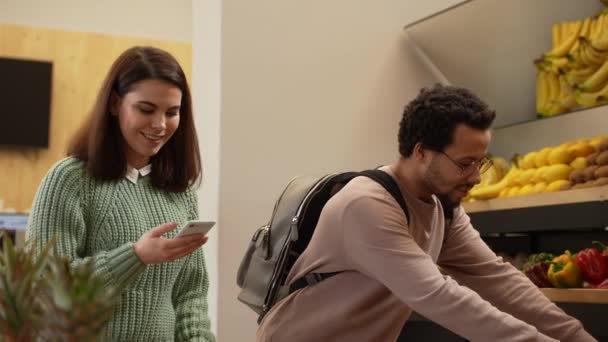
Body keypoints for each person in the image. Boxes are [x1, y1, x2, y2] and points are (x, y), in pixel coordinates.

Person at [256, 84, 595, 342]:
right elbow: (438, 295)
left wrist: (576, 336)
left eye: (481, 163)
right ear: (421, 152)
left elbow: (498, 280)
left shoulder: (442, 207)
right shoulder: (366, 205)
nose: (476, 177)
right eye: (465, 164)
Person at [28, 46, 215, 341]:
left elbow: (190, 294)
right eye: (146, 109)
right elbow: (46, 288)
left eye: (172, 112)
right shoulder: (69, 180)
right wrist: (135, 256)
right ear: (115, 104)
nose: (160, 125)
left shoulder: (181, 194)